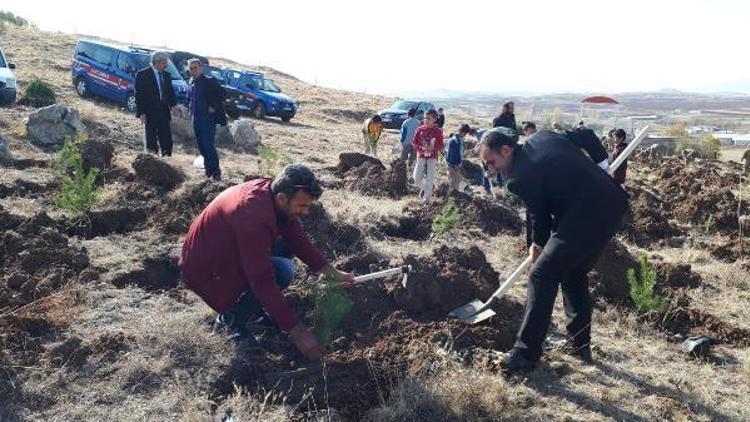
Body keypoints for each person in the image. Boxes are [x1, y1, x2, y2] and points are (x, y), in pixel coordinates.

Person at [479, 130, 628, 372]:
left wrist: (538, 246)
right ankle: (579, 345)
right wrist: (603, 166)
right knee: (573, 273)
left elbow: (540, 215)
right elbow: (586, 135)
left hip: (585, 215)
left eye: (492, 162)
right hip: (611, 205)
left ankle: (525, 355)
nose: (491, 169)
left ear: (506, 150)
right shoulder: (543, 137)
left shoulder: (519, 176)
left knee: (541, 274)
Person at [179, 164, 355, 361]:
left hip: (224, 254)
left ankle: (255, 309)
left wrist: (333, 273)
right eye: (302, 206)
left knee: (285, 250)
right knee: (282, 271)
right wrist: (297, 333)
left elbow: (297, 238)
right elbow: (262, 280)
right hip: (207, 271)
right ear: (282, 198)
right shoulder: (253, 217)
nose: (306, 212)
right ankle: (230, 322)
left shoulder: (270, 194)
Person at [187, 59, 227, 181]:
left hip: (207, 119)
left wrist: (213, 106)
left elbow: (222, 94)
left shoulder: (209, 81)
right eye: (191, 68)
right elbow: (190, 98)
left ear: (201, 68)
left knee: (208, 145)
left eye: (195, 68)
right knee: (201, 147)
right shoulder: (191, 81)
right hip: (196, 118)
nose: (193, 70)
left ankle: (216, 173)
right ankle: (208, 171)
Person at [135, 51, 178, 157]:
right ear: (158, 62)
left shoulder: (166, 75)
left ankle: (167, 161)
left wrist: (173, 105)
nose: (166, 65)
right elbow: (139, 95)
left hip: (163, 112)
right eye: (165, 62)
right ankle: (152, 163)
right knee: (151, 140)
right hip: (149, 113)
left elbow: (170, 92)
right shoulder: (142, 75)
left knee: (167, 140)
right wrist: (141, 113)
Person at [412, 109, 444, 203]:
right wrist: (421, 148)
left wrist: (432, 148)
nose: (426, 120)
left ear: (434, 119)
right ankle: (427, 189)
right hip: (421, 156)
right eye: (425, 118)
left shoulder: (437, 131)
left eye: (428, 118)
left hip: (432, 157)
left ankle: (426, 199)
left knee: (430, 178)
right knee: (416, 179)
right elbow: (414, 142)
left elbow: (441, 144)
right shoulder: (420, 129)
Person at [445, 124, 471, 191]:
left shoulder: (459, 140)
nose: (465, 135)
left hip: (457, 164)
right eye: (465, 133)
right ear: (462, 132)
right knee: (453, 182)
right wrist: (454, 165)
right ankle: (452, 197)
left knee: (457, 180)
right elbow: (451, 154)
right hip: (453, 165)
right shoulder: (454, 141)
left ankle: (454, 195)